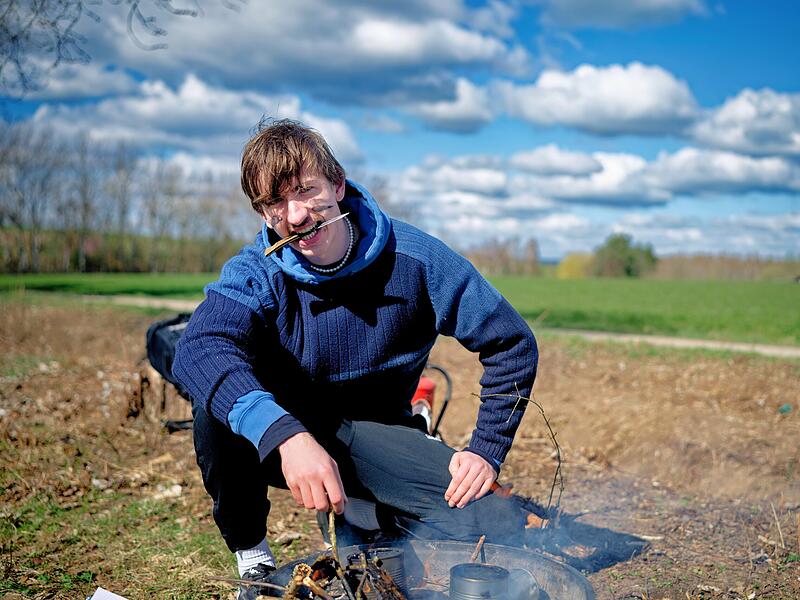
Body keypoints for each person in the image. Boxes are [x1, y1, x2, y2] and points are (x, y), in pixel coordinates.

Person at [172, 119, 538, 599]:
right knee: (215, 409)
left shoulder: (417, 259)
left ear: (338, 185)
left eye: (306, 190)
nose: (295, 215)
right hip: (285, 439)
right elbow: (198, 348)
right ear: (262, 211)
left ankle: (366, 511)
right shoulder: (257, 273)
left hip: (378, 434)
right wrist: (286, 435)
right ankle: (254, 558)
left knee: (491, 520)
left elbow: (511, 343)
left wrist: (486, 449)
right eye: (274, 202)